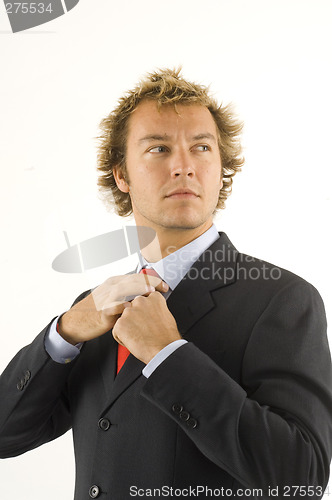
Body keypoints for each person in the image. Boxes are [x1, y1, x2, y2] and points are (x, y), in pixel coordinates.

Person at [0, 68, 331, 500]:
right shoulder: (94, 311)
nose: (183, 166)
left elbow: (299, 479)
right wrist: (63, 332)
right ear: (122, 175)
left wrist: (168, 354)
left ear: (220, 169)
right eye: (159, 148)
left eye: (201, 148)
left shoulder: (283, 300)